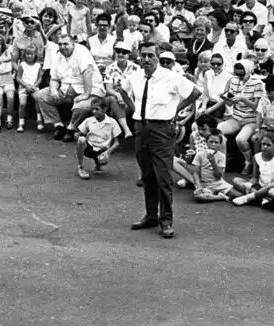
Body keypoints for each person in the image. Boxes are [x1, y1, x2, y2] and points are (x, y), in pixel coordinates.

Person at [120, 42, 201, 239]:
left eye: (150, 56)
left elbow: (195, 92)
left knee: (163, 177)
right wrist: (135, 109)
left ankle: (166, 220)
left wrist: (175, 110)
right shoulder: (136, 76)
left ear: (157, 57)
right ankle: (150, 215)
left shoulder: (171, 77)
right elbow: (123, 90)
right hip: (142, 127)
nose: (146, 59)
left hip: (162, 129)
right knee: (146, 174)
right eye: (143, 56)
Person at [191, 126, 243, 202]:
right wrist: (198, 186)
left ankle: (215, 196)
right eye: (211, 142)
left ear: (219, 144)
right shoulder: (200, 154)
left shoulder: (221, 156)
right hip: (204, 184)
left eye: (216, 142)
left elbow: (218, 176)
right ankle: (221, 197)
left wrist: (213, 163)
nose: (213, 144)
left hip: (218, 183)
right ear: (206, 142)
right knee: (199, 196)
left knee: (239, 196)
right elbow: (195, 173)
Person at [74, 97, 121, 180]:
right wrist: (77, 135)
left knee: (103, 159)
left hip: (102, 151)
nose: (94, 111)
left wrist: (108, 152)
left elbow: (117, 142)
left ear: (104, 109)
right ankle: (80, 166)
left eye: (97, 109)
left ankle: (98, 165)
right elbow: (79, 133)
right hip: (90, 148)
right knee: (81, 140)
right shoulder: (89, 120)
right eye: (92, 109)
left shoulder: (112, 122)